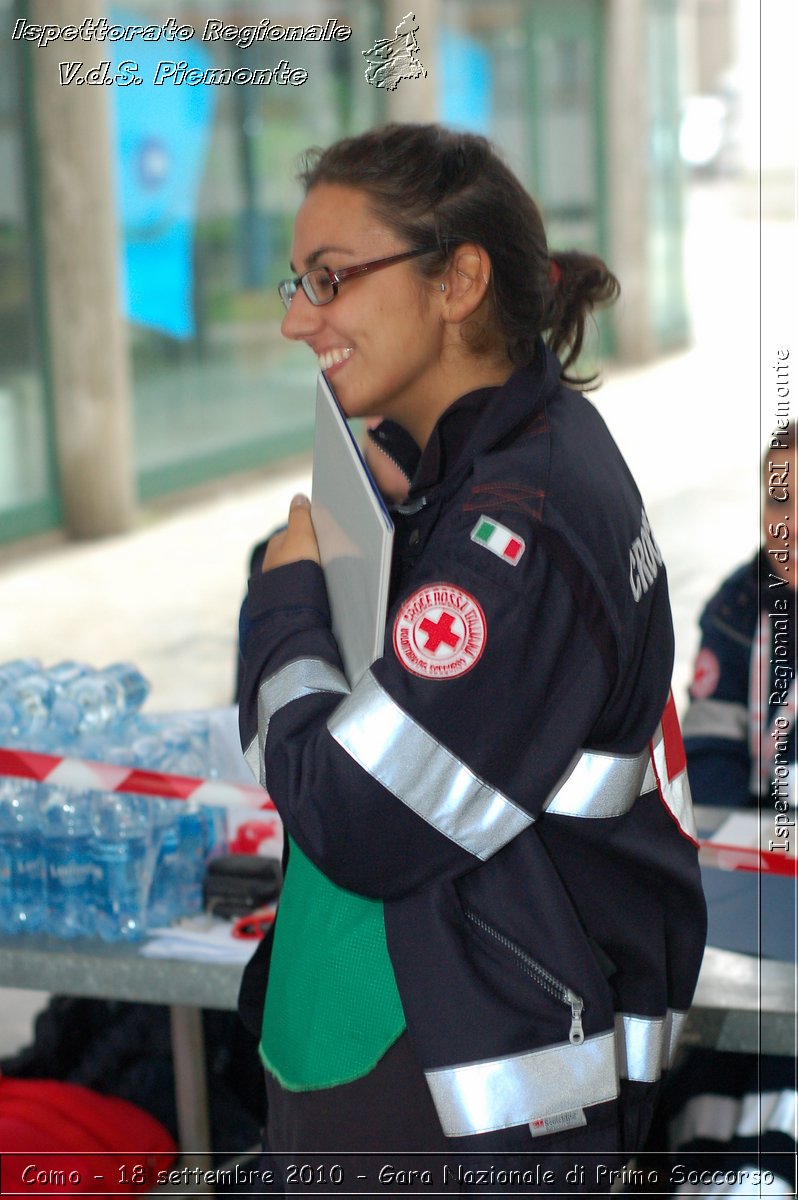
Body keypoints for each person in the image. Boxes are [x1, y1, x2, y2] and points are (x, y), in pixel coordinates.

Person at [236, 122, 707, 1193]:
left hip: (459, 1093)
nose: (296, 318)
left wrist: (286, 601)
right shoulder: (496, 460)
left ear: (459, 281)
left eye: (331, 278)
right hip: (427, 1032)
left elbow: (358, 818)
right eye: (297, 281)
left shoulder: (516, 529)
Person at [651, 422, 796, 1196]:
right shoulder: (740, 609)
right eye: (777, 500)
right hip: (754, 888)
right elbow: (704, 768)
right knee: (708, 1055)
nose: (788, 525)